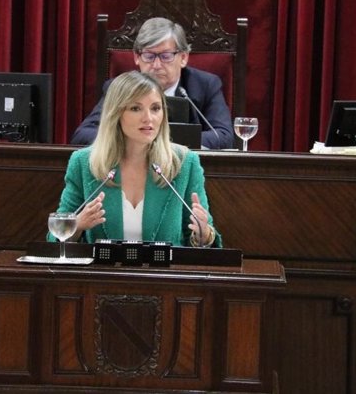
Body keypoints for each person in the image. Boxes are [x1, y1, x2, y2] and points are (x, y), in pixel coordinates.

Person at [49, 70, 222, 247]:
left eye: (155, 108)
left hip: (164, 273)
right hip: (104, 272)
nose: (149, 118)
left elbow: (202, 242)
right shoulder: (83, 162)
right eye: (135, 108)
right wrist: (77, 225)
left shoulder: (185, 162)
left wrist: (204, 235)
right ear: (115, 114)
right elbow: (55, 238)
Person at [71, 17, 234, 150]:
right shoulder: (119, 88)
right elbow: (83, 135)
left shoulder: (205, 85)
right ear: (136, 57)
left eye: (166, 56)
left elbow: (224, 136)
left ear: (183, 58)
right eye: (149, 56)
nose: (156, 65)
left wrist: (158, 141)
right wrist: (134, 140)